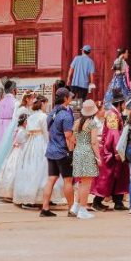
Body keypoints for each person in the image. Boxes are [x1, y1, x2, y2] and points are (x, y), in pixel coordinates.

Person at [40, 88, 76, 218]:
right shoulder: (65, 115)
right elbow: (68, 135)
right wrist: (75, 144)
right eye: (70, 97)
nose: (71, 99)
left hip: (51, 149)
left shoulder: (52, 113)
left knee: (51, 179)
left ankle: (45, 207)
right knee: (68, 180)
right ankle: (71, 208)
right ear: (65, 98)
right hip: (62, 151)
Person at [92, 92, 129, 211]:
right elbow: (113, 134)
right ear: (120, 104)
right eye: (124, 103)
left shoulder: (114, 113)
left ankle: (118, 201)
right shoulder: (113, 115)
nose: (125, 105)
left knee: (117, 176)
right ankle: (97, 201)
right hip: (110, 151)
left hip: (112, 149)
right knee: (106, 177)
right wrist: (117, 151)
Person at [13, 95, 51, 207]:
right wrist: (49, 143)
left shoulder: (31, 116)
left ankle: (29, 195)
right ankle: (43, 196)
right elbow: (46, 132)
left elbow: (27, 131)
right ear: (43, 103)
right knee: (42, 168)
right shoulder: (43, 116)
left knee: (30, 168)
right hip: (40, 142)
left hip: (31, 143)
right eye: (46, 104)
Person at [70, 99, 101, 219]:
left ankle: (76, 206)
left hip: (78, 151)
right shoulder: (92, 123)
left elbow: (72, 140)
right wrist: (98, 157)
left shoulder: (77, 122)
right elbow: (94, 142)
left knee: (81, 181)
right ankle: (82, 209)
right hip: (87, 152)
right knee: (86, 183)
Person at [0, 112, 28, 200]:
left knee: (10, 169)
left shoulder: (18, 129)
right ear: (25, 122)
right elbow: (20, 141)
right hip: (19, 151)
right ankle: (11, 192)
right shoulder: (22, 131)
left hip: (16, 150)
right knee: (15, 170)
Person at [0, 79, 17, 145]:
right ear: (13, 90)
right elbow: (16, 117)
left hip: (0, 126)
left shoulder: (1, 102)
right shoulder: (15, 102)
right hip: (10, 126)